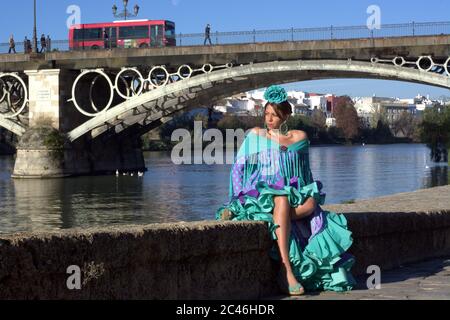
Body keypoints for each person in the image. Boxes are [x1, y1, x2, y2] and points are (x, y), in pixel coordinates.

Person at [216, 85, 355, 295]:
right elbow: (238, 168)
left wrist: (310, 195)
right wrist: (237, 199)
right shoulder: (255, 135)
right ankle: (287, 269)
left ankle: (278, 220)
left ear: (286, 116)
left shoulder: (299, 138)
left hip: (294, 192)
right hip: (263, 192)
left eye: (275, 115)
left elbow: (305, 172)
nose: (269, 119)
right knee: (280, 199)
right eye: (266, 114)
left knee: (308, 204)